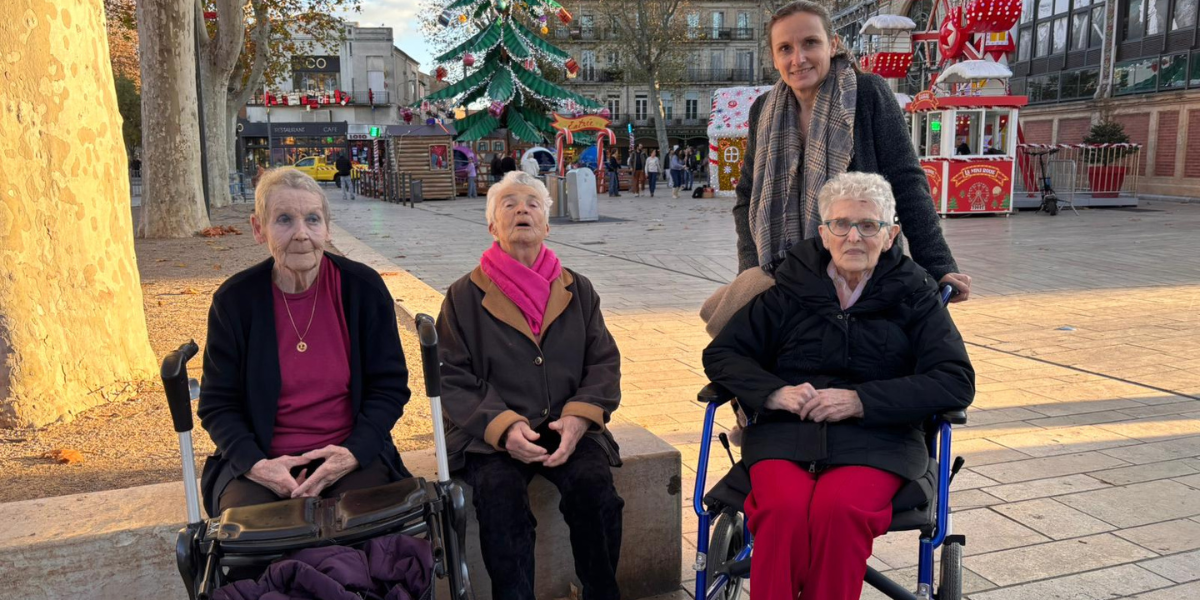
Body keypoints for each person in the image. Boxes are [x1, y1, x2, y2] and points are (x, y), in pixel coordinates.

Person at [703, 172, 975, 600]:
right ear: (823, 233)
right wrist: (774, 392)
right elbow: (722, 355)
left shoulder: (915, 296)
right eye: (841, 224)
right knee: (783, 510)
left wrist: (860, 401)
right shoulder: (787, 291)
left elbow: (955, 380)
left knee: (839, 510)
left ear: (890, 236)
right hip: (786, 432)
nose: (854, 236)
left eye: (869, 226)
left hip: (880, 438)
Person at [436, 171, 625, 600]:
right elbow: (452, 375)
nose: (522, 209)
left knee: (597, 493)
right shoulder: (463, 295)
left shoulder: (578, 289)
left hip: (566, 427)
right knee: (500, 499)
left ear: (546, 225)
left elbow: (603, 362)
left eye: (533, 203)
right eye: (509, 203)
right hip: (492, 437)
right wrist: (502, 426)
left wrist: (579, 418)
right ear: (492, 226)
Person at [197, 168, 412, 516]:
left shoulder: (363, 288)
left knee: (366, 538)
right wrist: (256, 464)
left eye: (312, 219)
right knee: (254, 544)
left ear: (327, 229)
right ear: (258, 229)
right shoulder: (235, 301)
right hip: (261, 464)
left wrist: (353, 452)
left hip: (349, 457)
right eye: (284, 220)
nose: (301, 234)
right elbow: (218, 403)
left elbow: (389, 387)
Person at [734, 1, 972, 302]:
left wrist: (937, 265)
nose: (799, 58)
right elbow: (746, 197)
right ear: (774, 56)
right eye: (785, 48)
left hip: (865, 278)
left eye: (810, 43)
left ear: (832, 44)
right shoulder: (762, 111)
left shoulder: (868, 93)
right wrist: (751, 272)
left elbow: (907, 182)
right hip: (785, 280)